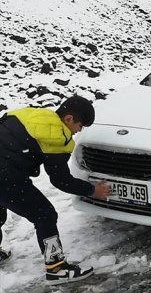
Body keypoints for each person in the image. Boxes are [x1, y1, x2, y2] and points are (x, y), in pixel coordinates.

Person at [0, 95, 111, 285]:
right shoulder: (56, 135)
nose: (78, 131)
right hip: (5, 175)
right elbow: (61, 181)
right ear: (68, 119)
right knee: (45, 214)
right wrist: (92, 190)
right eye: (80, 126)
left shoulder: (36, 114)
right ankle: (56, 268)